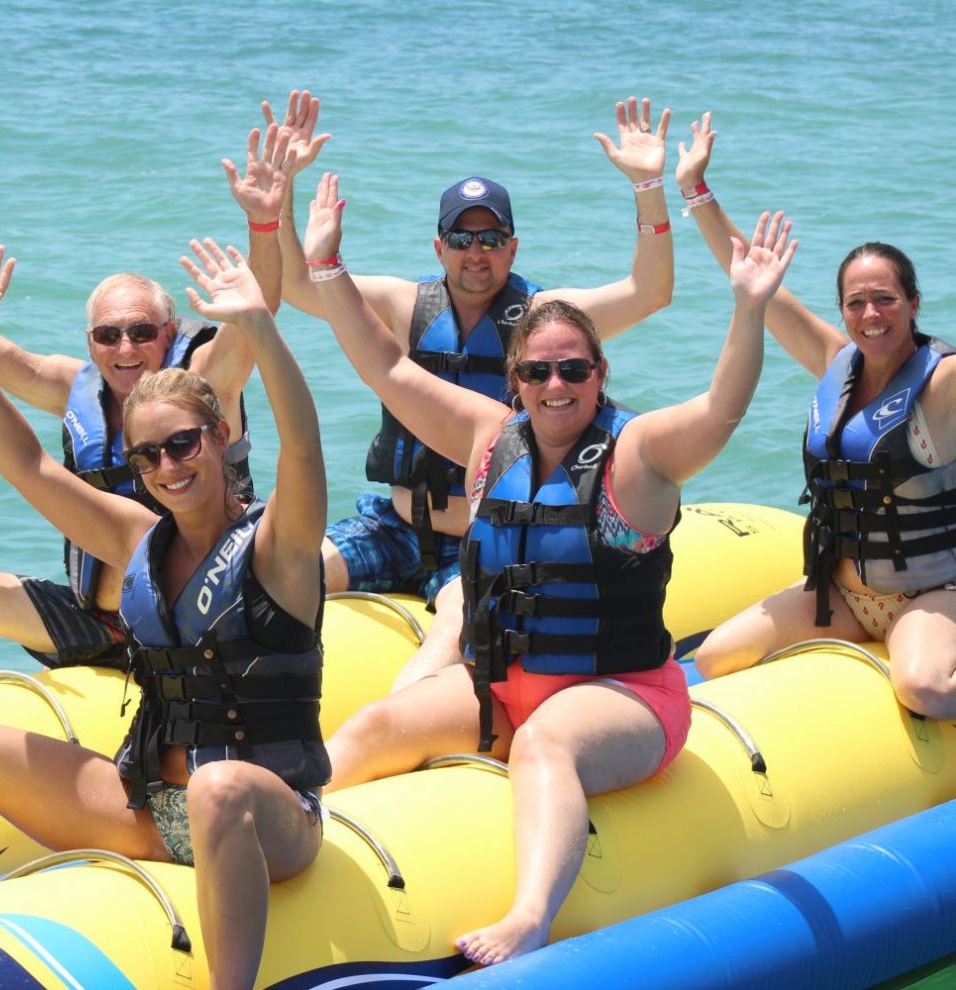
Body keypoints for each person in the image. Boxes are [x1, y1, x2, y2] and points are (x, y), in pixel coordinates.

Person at [300, 169, 796, 965]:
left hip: (623, 695)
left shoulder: (637, 456)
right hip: (505, 684)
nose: (555, 385)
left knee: (546, 746)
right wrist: (325, 268)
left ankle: (531, 916)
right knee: (379, 725)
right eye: (537, 371)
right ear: (516, 380)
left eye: (573, 369)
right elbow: (387, 372)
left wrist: (749, 307)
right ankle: (286, 842)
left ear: (600, 375)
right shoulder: (491, 441)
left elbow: (722, 410)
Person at [0, 237, 329, 990]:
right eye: (148, 457)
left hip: (268, 817)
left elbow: (303, 443)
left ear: (218, 438)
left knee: (219, 787)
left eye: (184, 444)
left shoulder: (278, 545)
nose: (170, 466)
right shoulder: (137, 540)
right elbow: (25, 464)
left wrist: (261, 326)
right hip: (152, 809)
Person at [265, 92, 675, 688]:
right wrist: (281, 196)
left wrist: (648, 186)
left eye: (491, 238)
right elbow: (302, 286)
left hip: (483, 542)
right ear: (439, 248)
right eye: (461, 239)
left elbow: (650, 290)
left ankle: (398, 726)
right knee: (286, 571)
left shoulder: (544, 324)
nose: (476, 253)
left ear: (513, 246)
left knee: (454, 626)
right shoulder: (405, 304)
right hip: (394, 525)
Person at [0, 129, 293, 704]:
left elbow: (257, 320)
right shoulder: (75, 386)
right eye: (108, 335)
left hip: (189, 618)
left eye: (141, 332)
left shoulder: (204, 385)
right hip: (96, 621)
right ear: (91, 342)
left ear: (169, 334)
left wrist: (265, 225)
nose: (125, 349)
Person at [681, 115, 956, 719]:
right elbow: (750, 274)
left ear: (913, 303)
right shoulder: (837, 362)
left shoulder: (942, 383)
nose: (871, 313)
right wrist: (696, 191)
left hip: (928, 594)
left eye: (886, 298)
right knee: (715, 658)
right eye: (856, 302)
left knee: (926, 688)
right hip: (841, 594)